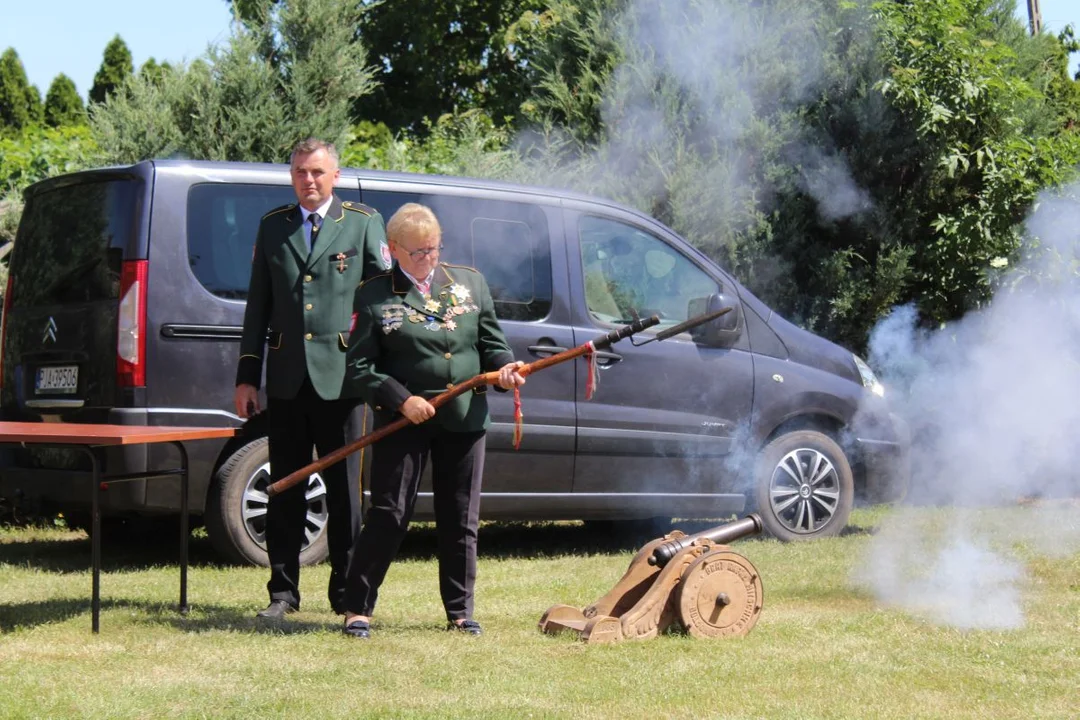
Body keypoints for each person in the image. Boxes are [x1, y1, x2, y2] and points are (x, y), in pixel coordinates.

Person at [340, 203, 526, 639]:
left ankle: (461, 611)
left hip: (464, 417)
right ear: (394, 250)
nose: (429, 258)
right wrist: (402, 400)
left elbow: (491, 342)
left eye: (435, 248)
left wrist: (504, 370)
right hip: (404, 421)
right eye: (420, 251)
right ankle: (357, 608)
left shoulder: (469, 283)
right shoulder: (374, 294)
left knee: (461, 517)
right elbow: (360, 367)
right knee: (389, 512)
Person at [234, 138, 392, 620]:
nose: (309, 180)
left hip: (343, 381)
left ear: (336, 176)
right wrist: (247, 377)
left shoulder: (362, 224)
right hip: (286, 379)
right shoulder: (274, 226)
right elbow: (257, 307)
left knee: (345, 494)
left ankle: (347, 594)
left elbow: (385, 301)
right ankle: (282, 593)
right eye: (301, 172)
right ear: (291, 175)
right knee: (285, 486)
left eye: (318, 172)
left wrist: (384, 374)